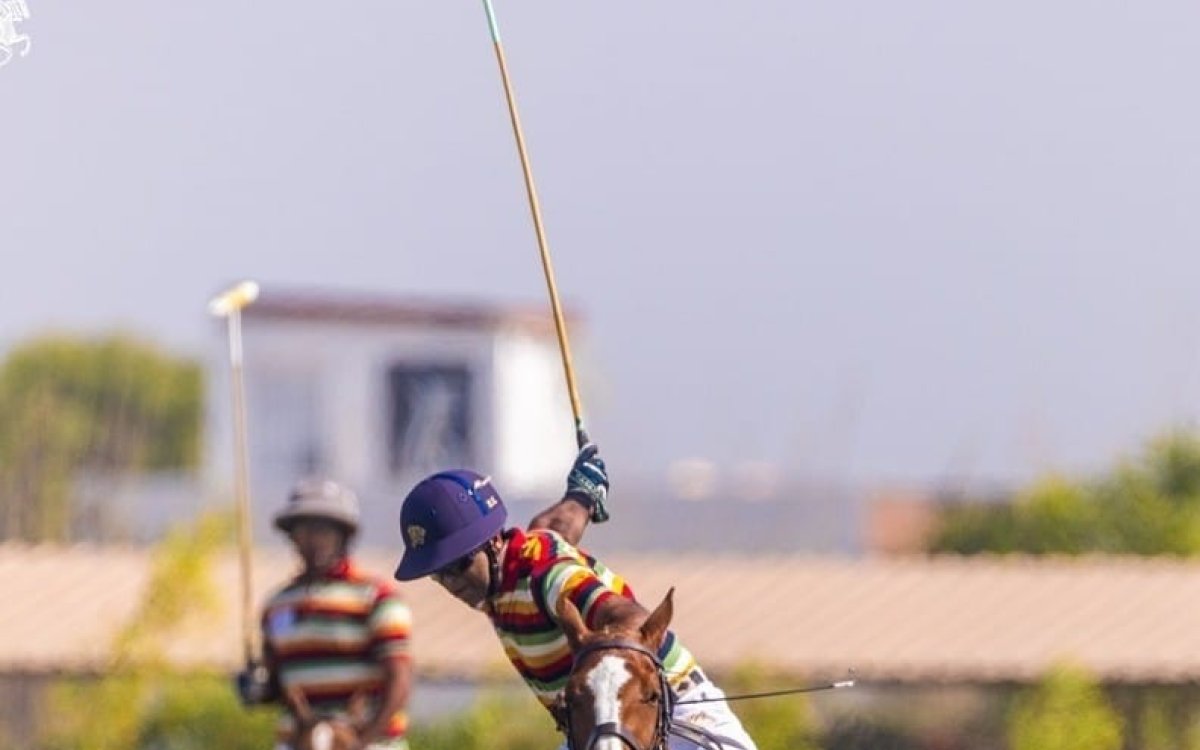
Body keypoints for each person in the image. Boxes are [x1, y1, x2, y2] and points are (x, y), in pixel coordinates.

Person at [393, 445, 758, 750]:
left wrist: (586, 648)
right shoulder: (513, 563)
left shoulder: (547, 574)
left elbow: (631, 619)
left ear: (492, 544)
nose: (450, 582)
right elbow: (556, 525)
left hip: (674, 713)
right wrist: (582, 494)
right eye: (436, 572)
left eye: (457, 564)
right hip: (595, 725)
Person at [237, 478, 414, 750]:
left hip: (368, 740)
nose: (312, 540)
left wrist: (363, 739)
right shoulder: (276, 605)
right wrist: (257, 686)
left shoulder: (376, 598)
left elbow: (399, 678)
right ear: (292, 536)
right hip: (298, 742)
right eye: (303, 530)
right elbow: (276, 684)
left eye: (322, 530)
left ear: (344, 535)